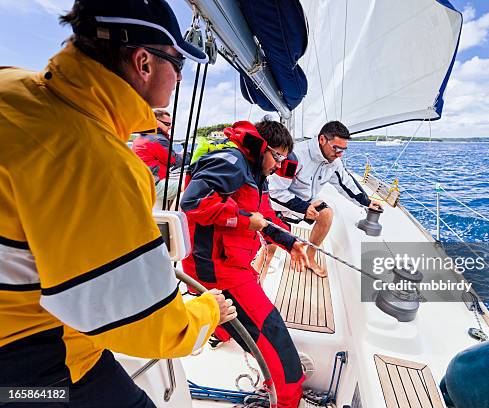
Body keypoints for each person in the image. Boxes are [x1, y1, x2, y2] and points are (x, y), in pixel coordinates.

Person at [0, 1, 236, 406]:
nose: (180, 78)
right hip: (32, 372)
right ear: (144, 62)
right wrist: (207, 311)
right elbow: (147, 326)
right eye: (177, 64)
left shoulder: (12, 88)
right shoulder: (93, 159)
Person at [181, 120, 310, 408]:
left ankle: (220, 332)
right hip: (215, 269)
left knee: (238, 316)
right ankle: (287, 400)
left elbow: (264, 215)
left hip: (230, 264)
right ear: (261, 147)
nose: (279, 166)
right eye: (276, 157)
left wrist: (291, 243)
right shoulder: (232, 162)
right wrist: (244, 219)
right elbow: (193, 202)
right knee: (271, 328)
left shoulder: (254, 171)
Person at [268, 120, 383, 277]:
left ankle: (309, 257)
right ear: (322, 140)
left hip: (305, 202)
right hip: (280, 204)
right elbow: (274, 192)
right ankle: (267, 259)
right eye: (336, 148)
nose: (339, 154)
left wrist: (367, 202)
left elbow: (346, 183)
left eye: (343, 150)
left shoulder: (334, 161)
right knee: (270, 248)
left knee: (326, 214)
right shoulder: (295, 156)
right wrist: (303, 208)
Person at [132, 109, 184, 205]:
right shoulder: (156, 139)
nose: (170, 127)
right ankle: (174, 218)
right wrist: (188, 155)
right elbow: (173, 161)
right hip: (153, 186)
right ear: (155, 122)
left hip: (144, 183)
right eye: (167, 124)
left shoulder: (142, 137)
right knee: (190, 186)